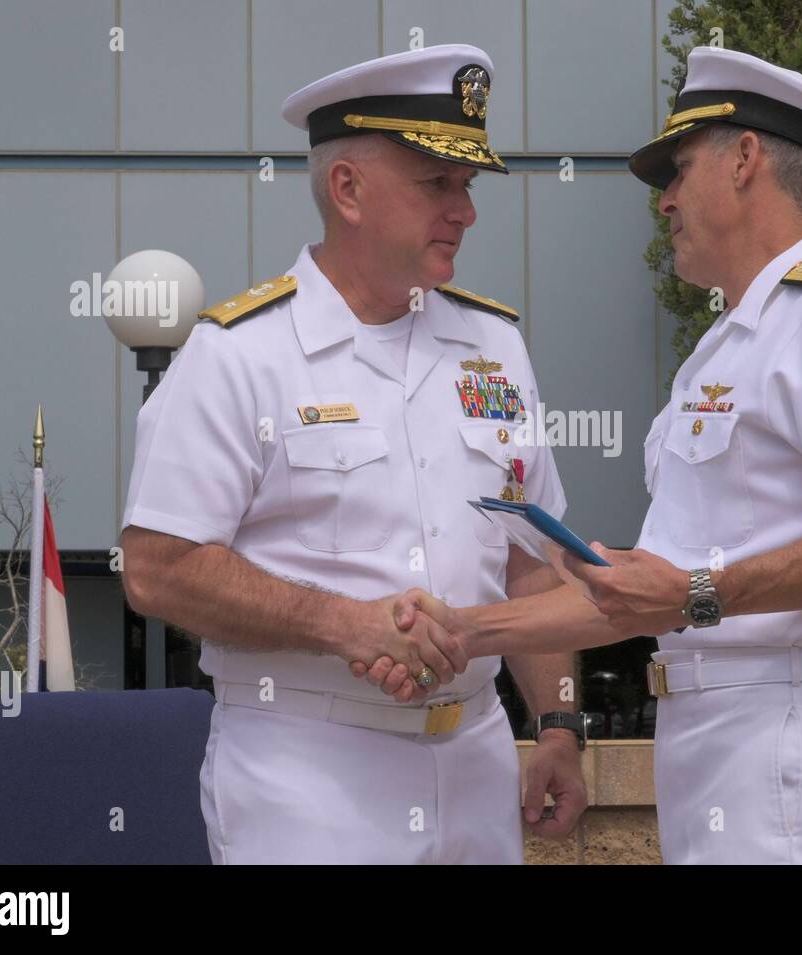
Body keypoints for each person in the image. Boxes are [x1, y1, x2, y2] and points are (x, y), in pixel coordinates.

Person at [397, 45, 802, 864]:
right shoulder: (725, 349)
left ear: (746, 160)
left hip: (787, 735)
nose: (666, 203)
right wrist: (465, 630)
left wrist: (696, 591)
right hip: (716, 743)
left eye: (678, 171)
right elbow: (642, 593)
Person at [118, 44, 586, 864]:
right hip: (306, 773)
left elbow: (535, 565)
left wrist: (559, 722)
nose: (465, 211)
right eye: (437, 184)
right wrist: (347, 625)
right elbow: (158, 566)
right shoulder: (239, 355)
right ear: (348, 189)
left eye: (467, 186)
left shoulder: (496, 348)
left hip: (478, 760)